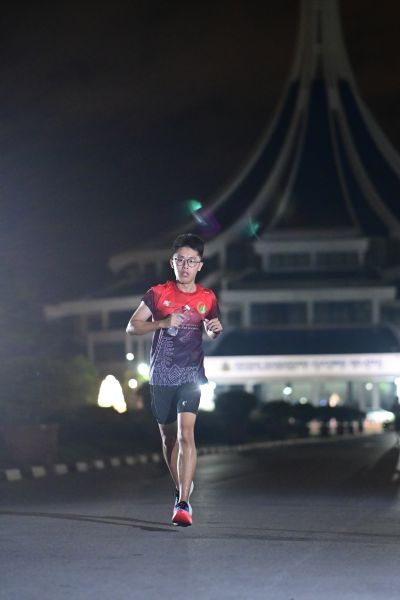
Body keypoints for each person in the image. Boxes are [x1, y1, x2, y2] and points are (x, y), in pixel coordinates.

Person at [126, 233, 223, 526]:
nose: (185, 266)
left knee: (185, 434)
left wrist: (215, 330)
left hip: (191, 375)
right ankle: (182, 486)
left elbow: (212, 330)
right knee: (169, 439)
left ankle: (183, 502)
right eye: (180, 260)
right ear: (172, 263)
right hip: (161, 376)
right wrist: (163, 322)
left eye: (191, 261)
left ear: (200, 265)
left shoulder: (207, 297)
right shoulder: (158, 294)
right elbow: (133, 326)